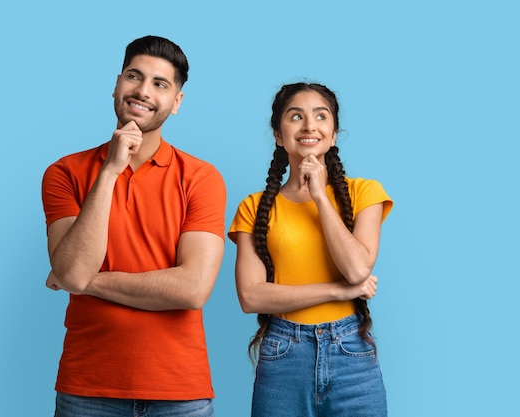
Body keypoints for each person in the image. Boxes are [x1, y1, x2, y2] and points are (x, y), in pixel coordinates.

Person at [41, 35, 226, 417]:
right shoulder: (64, 173)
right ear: (117, 84)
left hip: (179, 393)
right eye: (134, 77)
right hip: (86, 390)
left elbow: (192, 289)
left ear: (176, 103)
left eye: (160, 84)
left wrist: (86, 281)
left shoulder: (201, 178)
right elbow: (73, 270)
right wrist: (109, 171)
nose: (142, 91)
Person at [228, 82, 393, 417]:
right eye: (295, 116)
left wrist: (319, 195)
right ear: (278, 134)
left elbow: (358, 269)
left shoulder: (365, 192)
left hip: (352, 356)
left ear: (332, 135)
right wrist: (337, 291)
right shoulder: (254, 207)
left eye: (321, 116)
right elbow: (251, 297)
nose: (309, 126)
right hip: (283, 354)